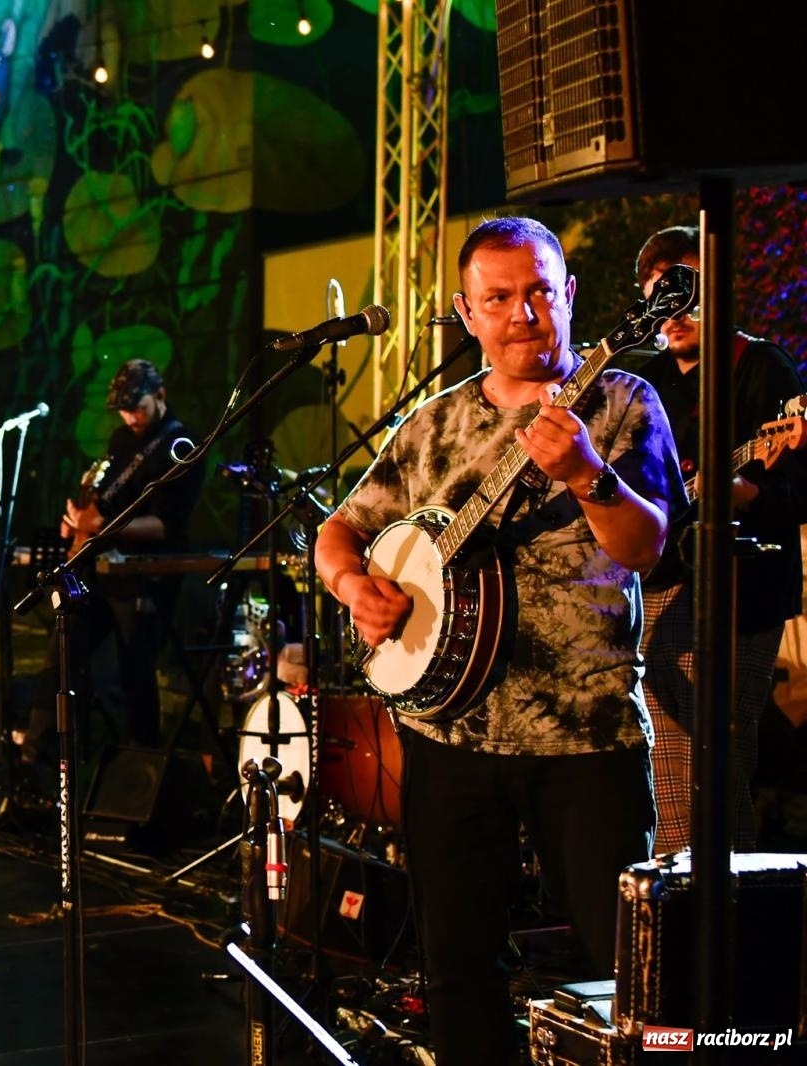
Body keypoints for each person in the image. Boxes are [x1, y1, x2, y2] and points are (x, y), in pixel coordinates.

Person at [313, 217, 683, 1065]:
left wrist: (589, 474)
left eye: (539, 293)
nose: (524, 313)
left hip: (584, 735)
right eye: (500, 298)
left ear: (570, 297)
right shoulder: (431, 425)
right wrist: (354, 588)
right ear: (467, 312)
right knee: (457, 975)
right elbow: (337, 533)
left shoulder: (624, 400)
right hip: (449, 738)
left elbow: (648, 549)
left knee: (636, 973)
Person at [631, 225, 807, 853]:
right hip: (654, 586)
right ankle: (674, 916)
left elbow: (798, 486)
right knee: (659, 773)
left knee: (709, 767)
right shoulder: (643, 382)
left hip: (737, 596)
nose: (671, 315)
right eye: (658, 300)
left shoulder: (760, 366)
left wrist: (743, 492)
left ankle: (715, 921)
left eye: (683, 294)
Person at [18, 358, 205, 768]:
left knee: (136, 671)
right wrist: (78, 521)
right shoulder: (122, 440)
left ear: (160, 396)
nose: (129, 416)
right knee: (64, 652)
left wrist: (101, 526)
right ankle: (44, 756)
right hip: (99, 571)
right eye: (122, 408)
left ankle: (141, 768)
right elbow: (106, 500)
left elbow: (165, 524)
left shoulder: (181, 446)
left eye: (136, 406)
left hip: (147, 577)